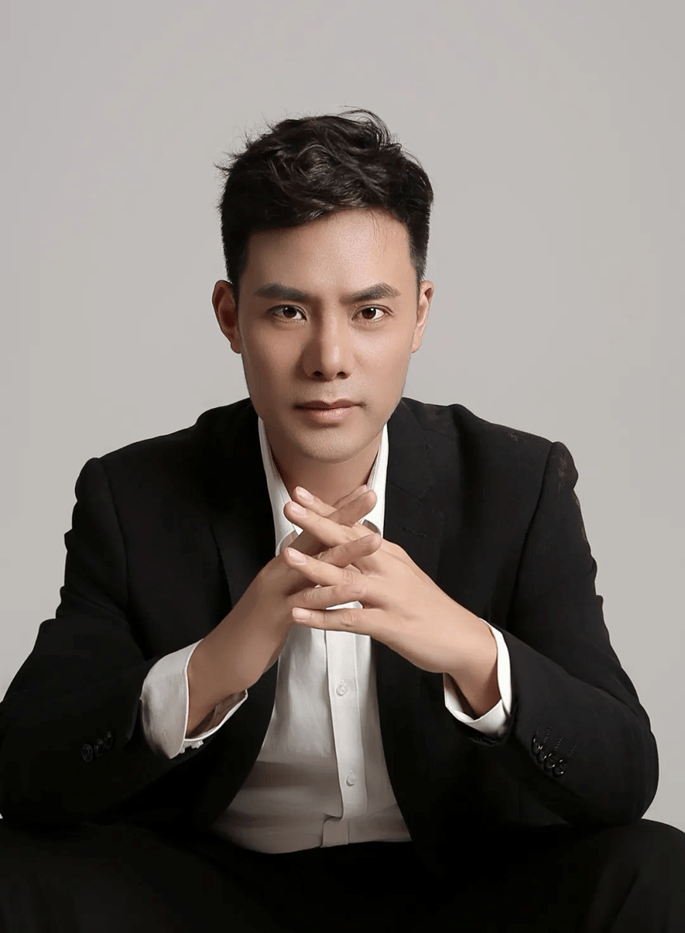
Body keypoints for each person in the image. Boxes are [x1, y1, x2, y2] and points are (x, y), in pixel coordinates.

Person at [0, 109, 683, 932]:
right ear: (230, 315)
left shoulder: (515, 483)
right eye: (288, 312)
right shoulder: (134, 496)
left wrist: (470, 648)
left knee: (657, 871)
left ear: (419, 314)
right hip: (211, 897)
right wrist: (208, 670)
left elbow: (620, 776)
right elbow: (26, 767)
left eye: (368, 312)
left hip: (463, 895)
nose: (328, 358)